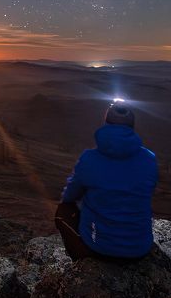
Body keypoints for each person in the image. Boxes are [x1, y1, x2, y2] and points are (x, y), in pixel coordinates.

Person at [55, 100, 158, 261]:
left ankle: (82, 264)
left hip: (99, 249)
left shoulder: (89, 159)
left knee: (63, 211)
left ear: (105, 124)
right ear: (132, 127)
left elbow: (69, 196)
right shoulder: (150, 159)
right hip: (139, 250)